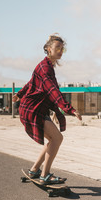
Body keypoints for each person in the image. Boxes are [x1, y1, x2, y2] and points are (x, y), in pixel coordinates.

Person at [13, 34, 82, 185]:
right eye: (57, 48)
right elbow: (53, 90)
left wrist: (19, 94)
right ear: (48, 49)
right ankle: (45, 175)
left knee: (53, 139)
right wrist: (69, 109)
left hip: (36, 109)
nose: (60, 51)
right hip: (33, 109)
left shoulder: (46, 66)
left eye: (62, 49)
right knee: (57, 138)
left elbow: (31, 82)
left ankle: (34, 170)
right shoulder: (45, 68)